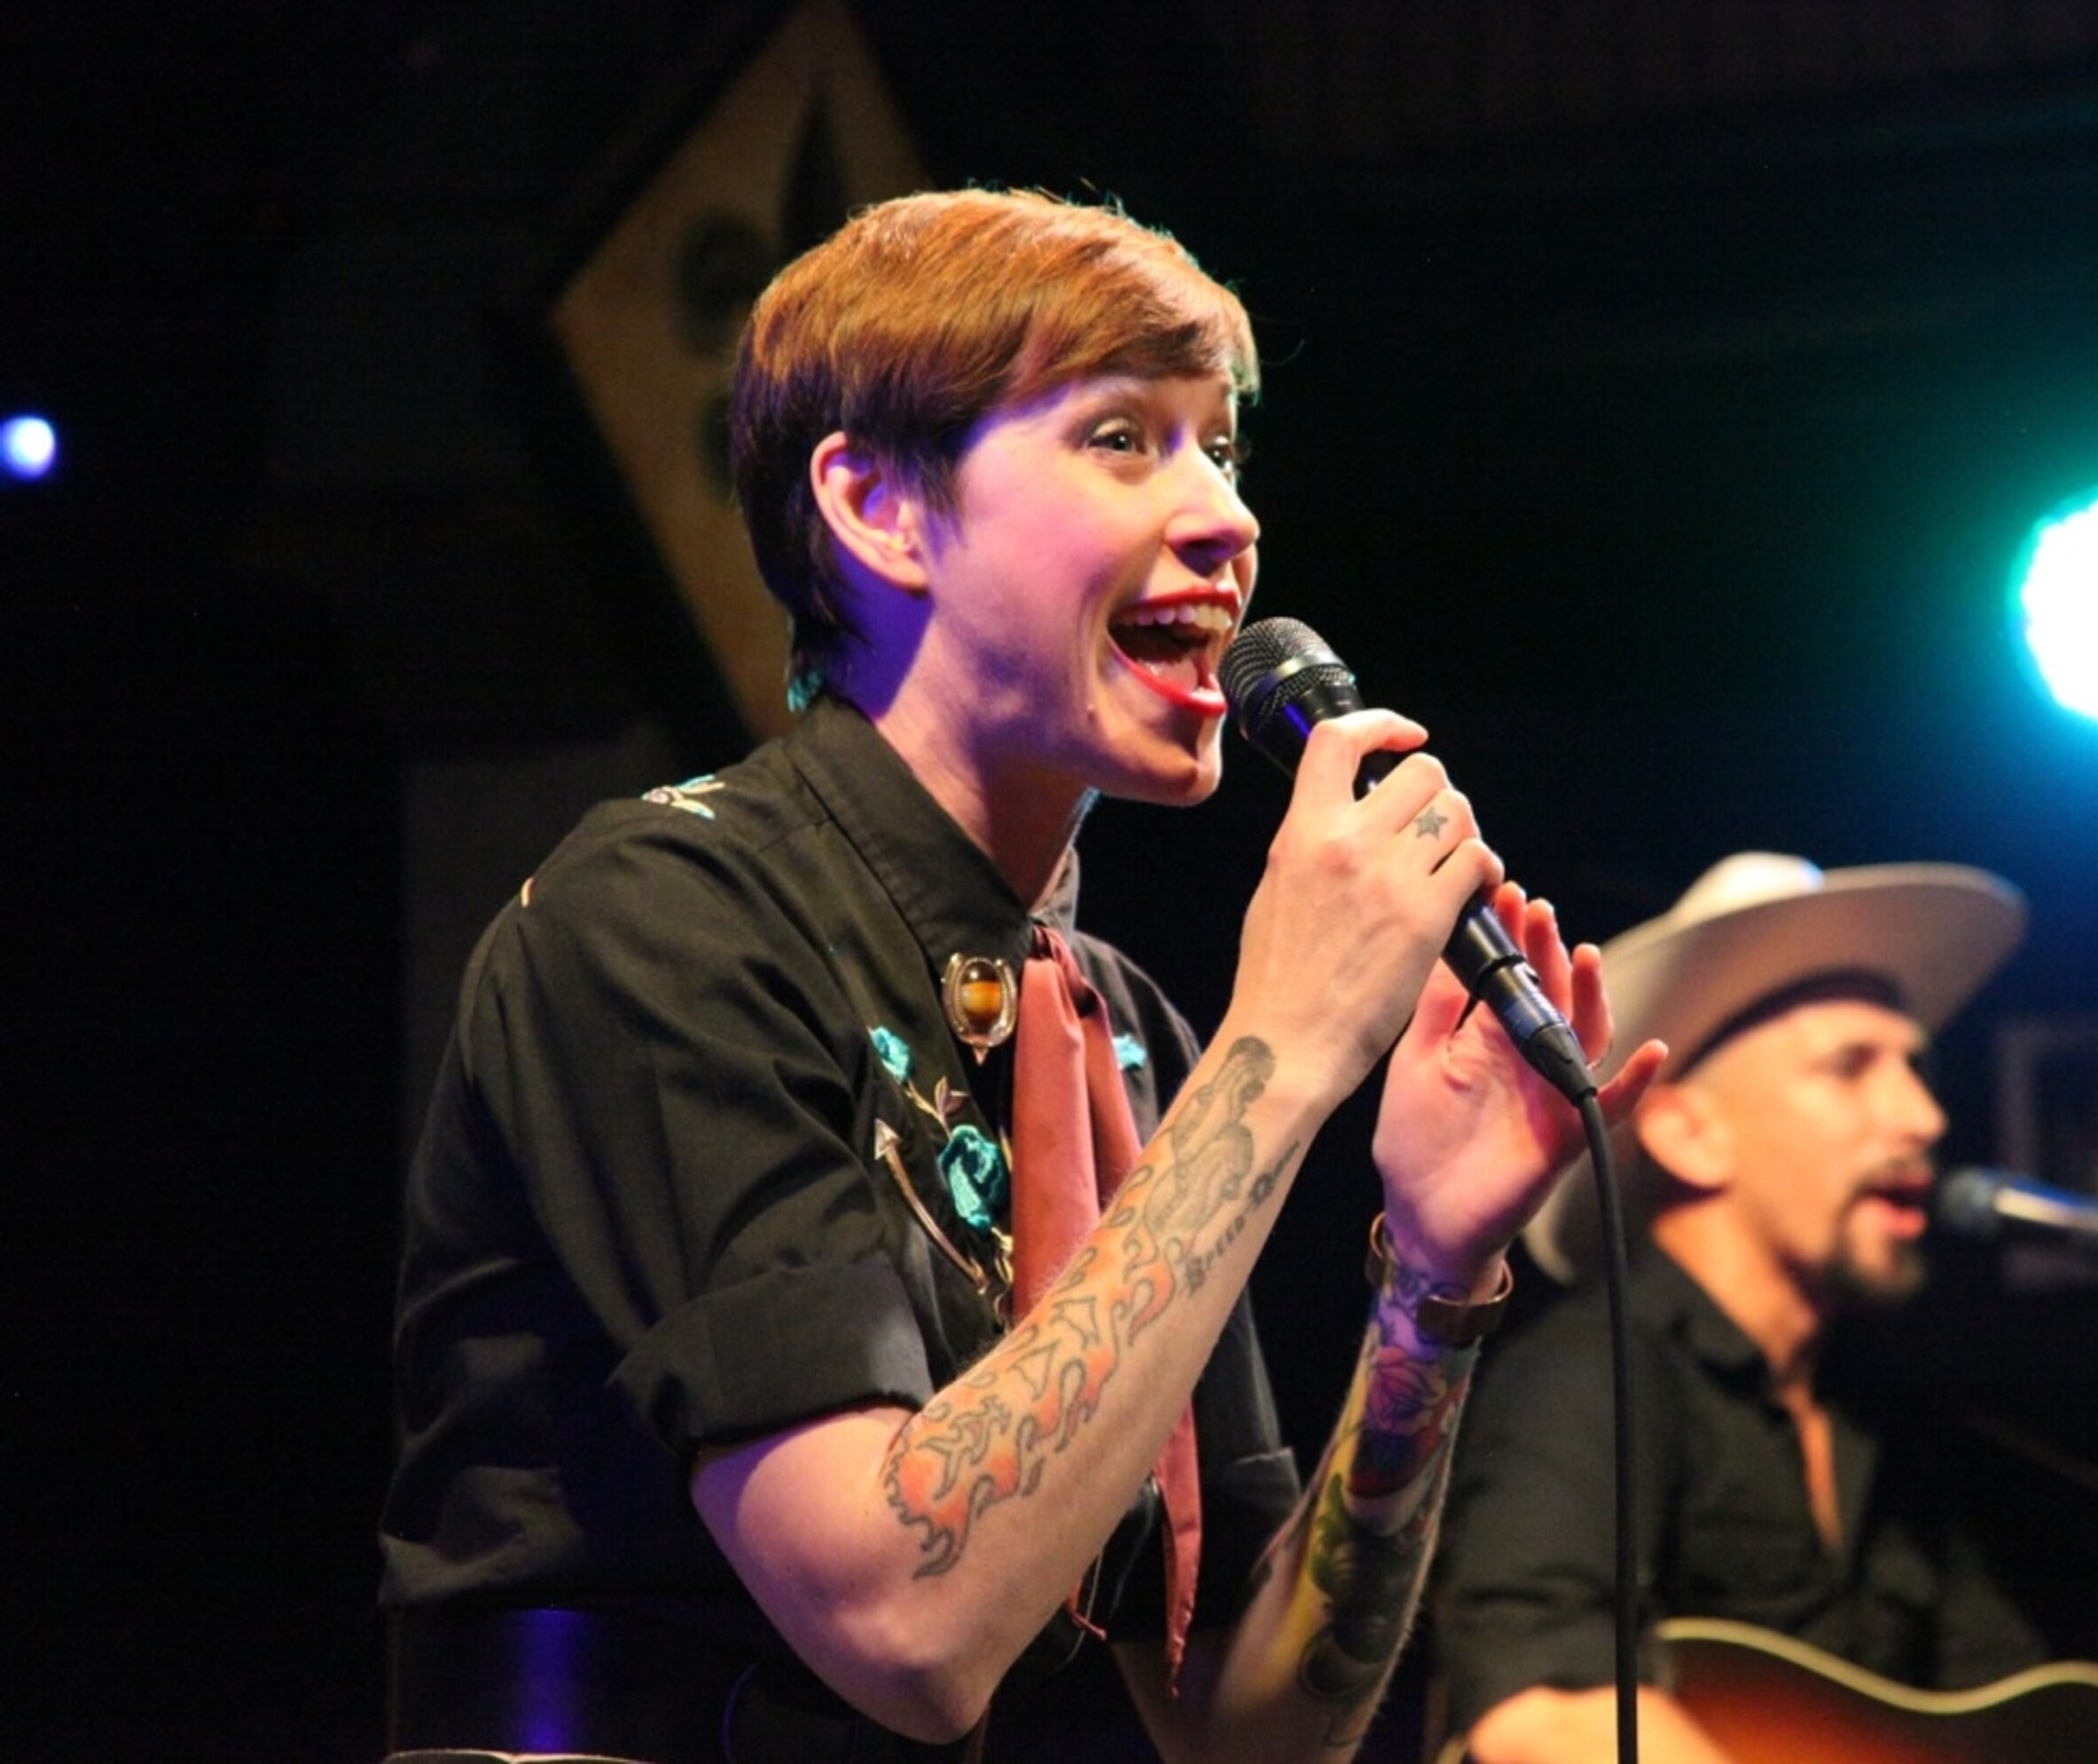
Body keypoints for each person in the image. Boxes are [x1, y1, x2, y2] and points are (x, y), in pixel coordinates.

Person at [379, 189, 1659, 1764]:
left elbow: (1249, 1732)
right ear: (879, 508)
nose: (1223, 517)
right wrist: (1287, 1038)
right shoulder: (665, 915)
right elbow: (902, 1626)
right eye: (1122, 436)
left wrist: (1431, 1283)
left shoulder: (1115, 1026)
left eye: (1223, 444)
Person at [1430, 851, 2050, 1763]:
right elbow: (1539, 1710)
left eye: (1915, 1069)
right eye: (1851, 1068)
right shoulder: (1590, 1377)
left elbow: (2015, 1717)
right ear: (1688, 1132)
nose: (1921, 1117)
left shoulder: (1880, 1413)